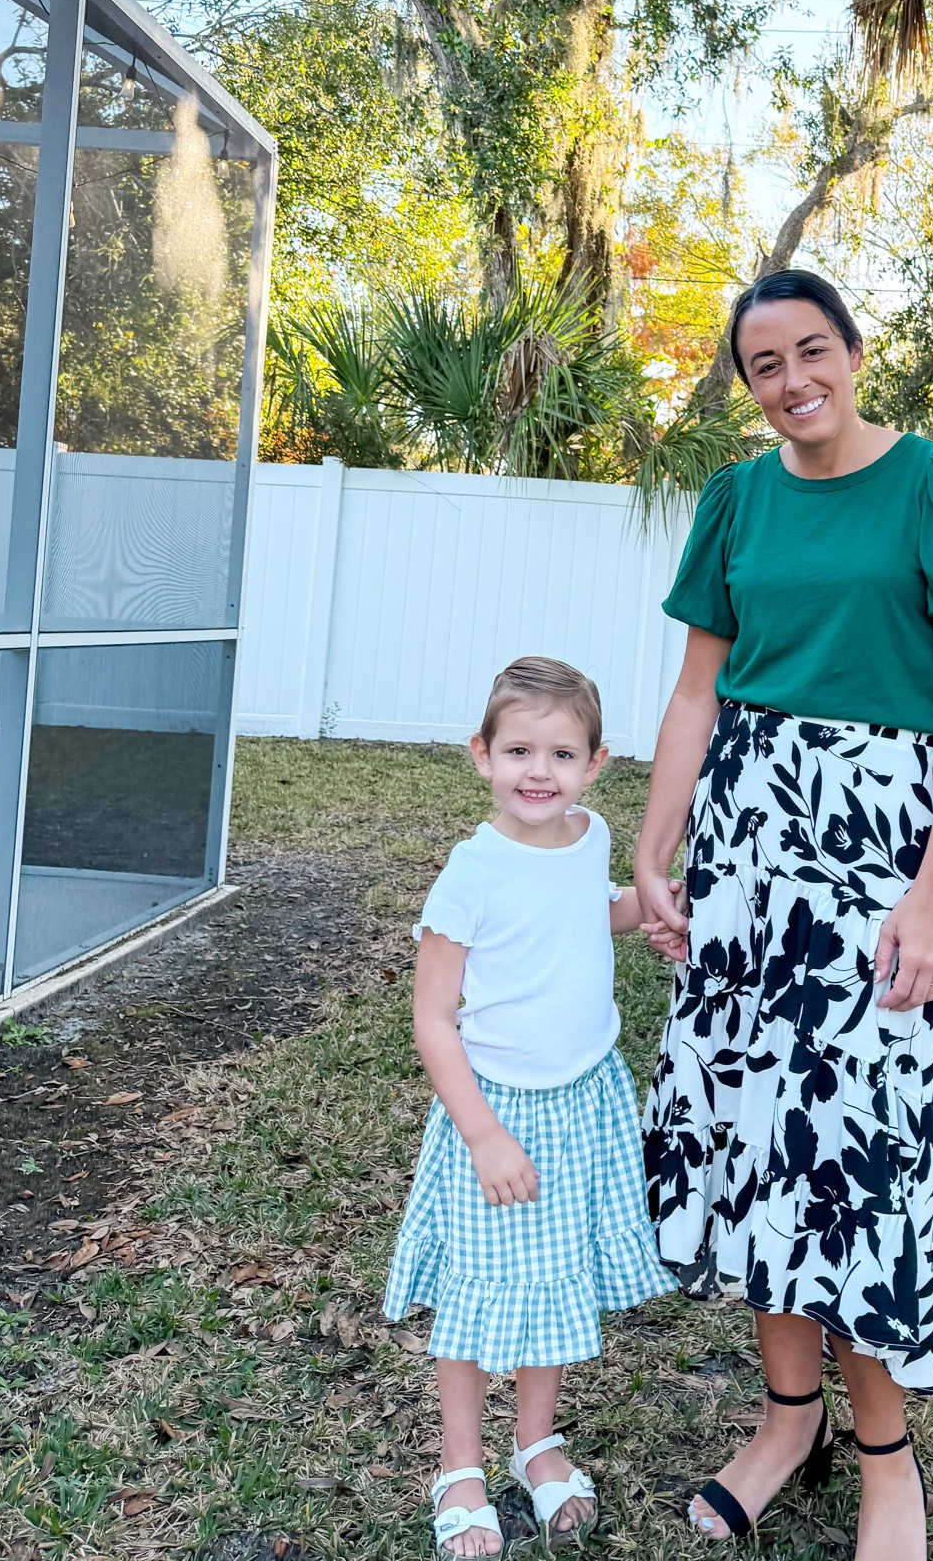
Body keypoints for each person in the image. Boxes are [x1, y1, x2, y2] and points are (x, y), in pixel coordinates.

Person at [633, 270, 933, 1560]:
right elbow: (699, 694)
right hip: (746, 855)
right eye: (764, 365)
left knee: (860, 1154)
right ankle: (784, 1418)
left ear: (854, 352)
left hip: (875, 863)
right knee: (757, 1141)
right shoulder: (736, 500)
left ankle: (887, 1459)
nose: (794, 379)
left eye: (813, 351)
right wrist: (656, 844)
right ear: (746, 385)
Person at [383, 657, 674, 1558]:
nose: (538, 771)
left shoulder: (589, 835)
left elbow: (591, 911)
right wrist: (482, 1134)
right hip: (497, 1113)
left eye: (561, 752)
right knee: (476, 1297)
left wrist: (652, 910)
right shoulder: (472, 871)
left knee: (555, 1284)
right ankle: (459, 1460)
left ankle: (534, 1441)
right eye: (518, 750)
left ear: (597, 762)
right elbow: (433, 1021)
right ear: (481, 756)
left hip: (583, 1102)